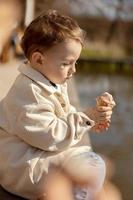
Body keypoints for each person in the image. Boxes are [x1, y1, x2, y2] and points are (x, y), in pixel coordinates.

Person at [0, 10, 115, 200]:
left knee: (90, 161)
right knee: (93, 166)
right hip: (23, 168)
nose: (73, 70)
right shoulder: (28, 93)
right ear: (38, 59)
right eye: (66, 63)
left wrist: (92, 120)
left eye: (75, 62)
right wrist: (86, 118)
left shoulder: (49, 79)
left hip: (34, 154)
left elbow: (64, 114)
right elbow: (50, 136)